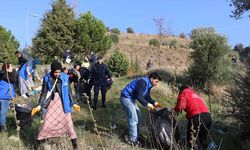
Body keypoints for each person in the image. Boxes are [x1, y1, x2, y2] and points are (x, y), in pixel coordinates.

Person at [31, 61, 80, 150]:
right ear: (52, 71)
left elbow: (69, 91)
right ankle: (36, 145)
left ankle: (75, 146)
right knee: (47, 123)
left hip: (64, 104)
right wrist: (38, 105)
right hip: (52, 103)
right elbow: (44, 92)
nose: (57, 74)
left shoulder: (65, 77)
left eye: (59, 72)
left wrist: (74, 103)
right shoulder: (47, 78)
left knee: (69, 124)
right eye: (55, 72)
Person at [120, 72, 161, 145]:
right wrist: (147, 104)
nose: (157, 84)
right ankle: (133, 141)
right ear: (151, 79)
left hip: (131, 99)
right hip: (126, 98)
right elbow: (139, 96)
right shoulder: (143, 82)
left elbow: (146, 96)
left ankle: (135, 135)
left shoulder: (149, 84)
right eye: (156, 81)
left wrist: (154, 103)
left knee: (139, 117)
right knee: (133, 118)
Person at [173, 84, 212, 150]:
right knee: (203, 139)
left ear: (181, 90)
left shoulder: (184, 93)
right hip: (208, 117)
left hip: (197, 118)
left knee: (191, 140)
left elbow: (181, 106)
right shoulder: (195, 94)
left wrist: (175, 111)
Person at [0, 63, 17, 130]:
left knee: (2, 112)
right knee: (3, 113)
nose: (12, 68)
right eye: (11, 67)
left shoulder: (3, 74)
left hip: (4, 96)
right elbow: (14, 79)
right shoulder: (5, 75)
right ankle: (3, 128)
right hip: (3, 97)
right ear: (7, 68)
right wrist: (14, 71)